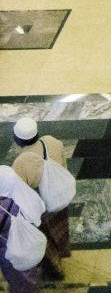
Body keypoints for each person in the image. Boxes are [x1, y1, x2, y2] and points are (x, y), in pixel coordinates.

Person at [11, 118, 71, 277]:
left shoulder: (20, 162)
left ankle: (55, 267)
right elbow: (64, 166)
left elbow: (22, 193)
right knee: (60, 228)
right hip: (59, 196)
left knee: (46, 234)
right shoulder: (51, 141)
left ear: (17, 140)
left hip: (42, 205)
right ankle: (63, 250)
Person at [0, 167, 48, 293]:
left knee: (22, 281)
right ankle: (18, 289)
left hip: (12, 252)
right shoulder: (23, 194)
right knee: (28, 274)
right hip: (30, 243)